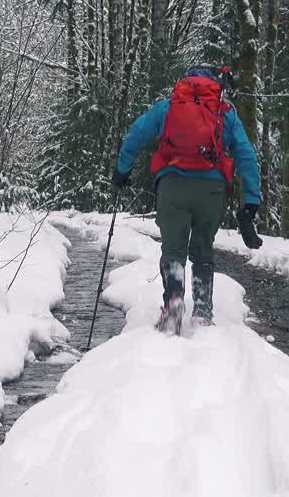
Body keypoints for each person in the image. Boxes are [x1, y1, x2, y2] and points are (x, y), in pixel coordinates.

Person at [112, 66, 263, 332]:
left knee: (173, 249)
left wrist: (122, 170)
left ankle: (173, 303)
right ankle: (203, 312)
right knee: (203, 248)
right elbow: (246, 155)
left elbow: (136, 133)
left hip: (173, 186)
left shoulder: (169, 106)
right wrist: (251, 201)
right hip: (212, 191)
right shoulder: (224, 111)